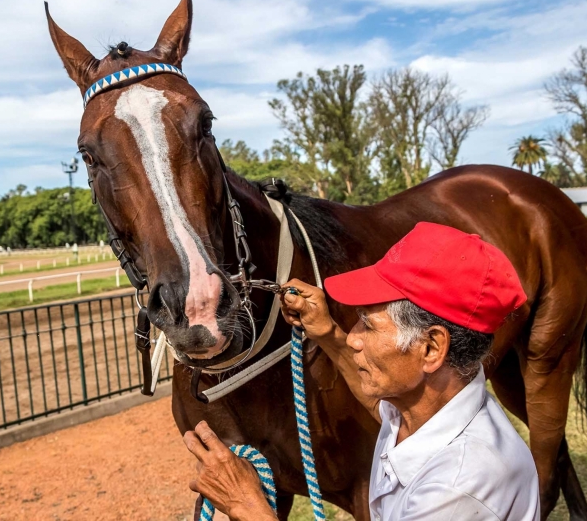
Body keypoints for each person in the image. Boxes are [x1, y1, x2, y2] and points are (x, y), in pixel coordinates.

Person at [183, 222, 541, 520]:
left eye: (367, 325)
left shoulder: (459, 486)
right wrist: (326, 332)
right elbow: (378, 409)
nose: (353, 339)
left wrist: (248, 507)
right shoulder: (430, 405)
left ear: (431, 348)